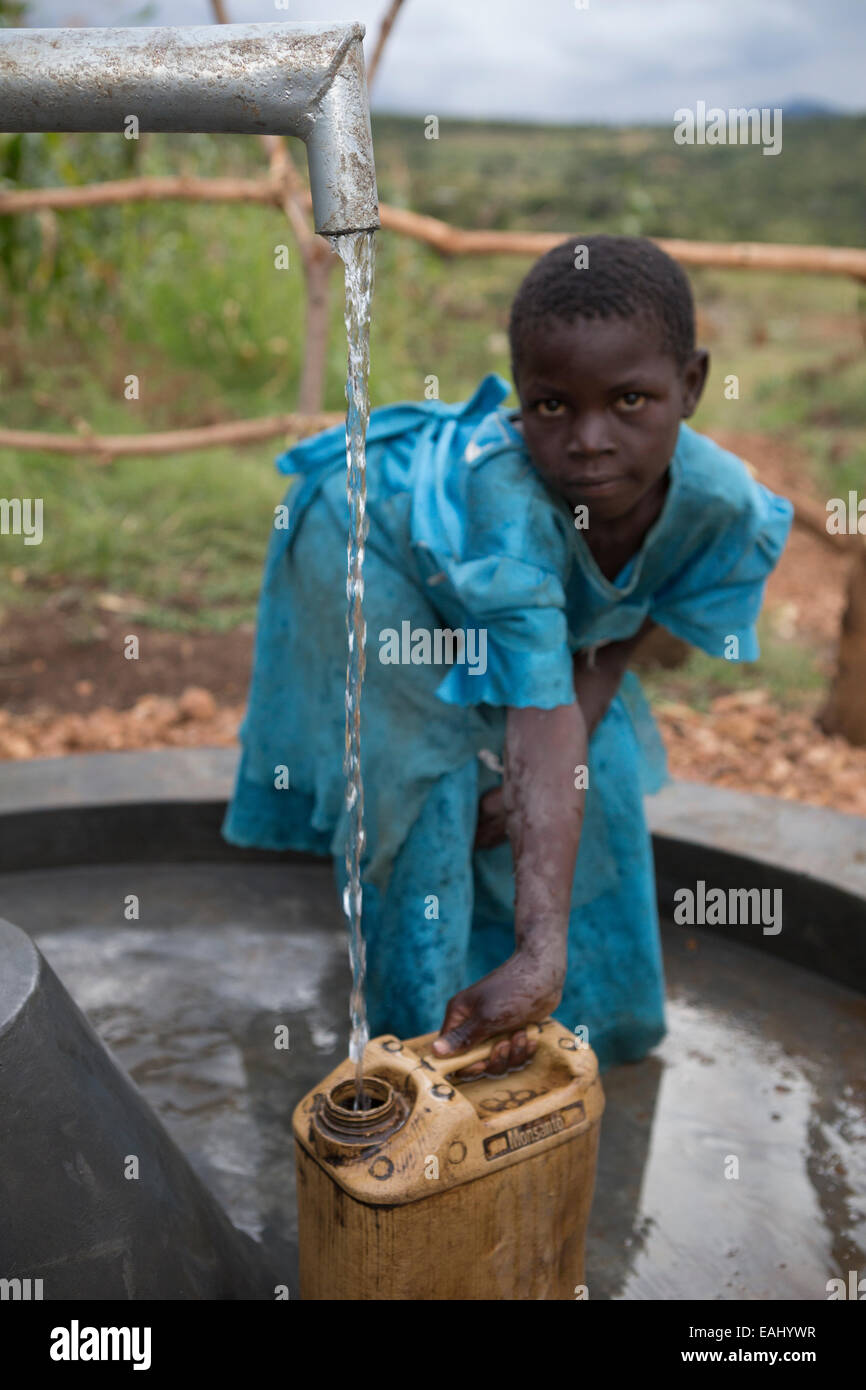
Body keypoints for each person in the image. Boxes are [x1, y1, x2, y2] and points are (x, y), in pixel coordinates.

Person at [222, 234, 793, 1077]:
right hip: (373, 536)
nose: (589, 441)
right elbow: (536, 703)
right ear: (522, 398)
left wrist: (542, 776)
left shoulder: (724, 510)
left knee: (580, 768)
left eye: (630, 400)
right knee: (435, 784)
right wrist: (537, 928)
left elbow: (613, 638)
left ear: (693, 386)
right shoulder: (512, 495)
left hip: (491, 587)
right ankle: (422, 1056)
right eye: (553, 407)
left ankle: (597, 1027)